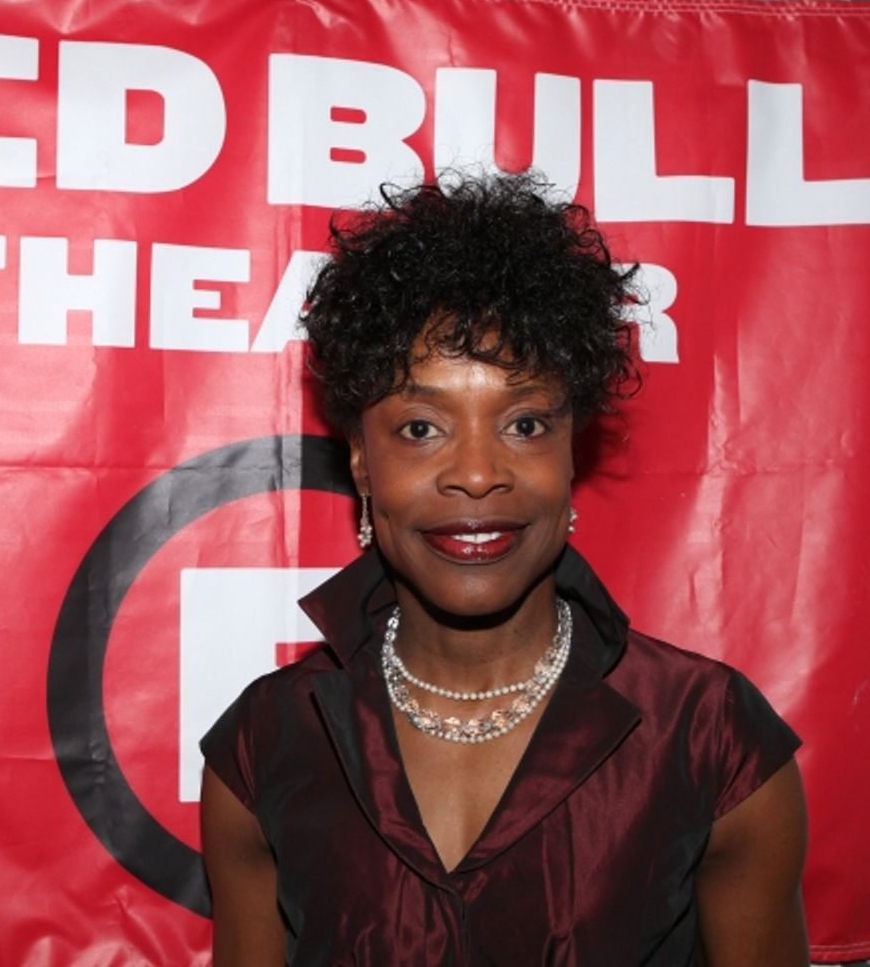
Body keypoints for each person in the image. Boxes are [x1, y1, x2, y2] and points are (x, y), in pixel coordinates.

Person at [199, 172, 808, 965]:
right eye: (421, 427)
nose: (478, 473)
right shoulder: (265, 743)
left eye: (524, 423)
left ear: (568, 453)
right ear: (361, 465)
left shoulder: (712, 739)